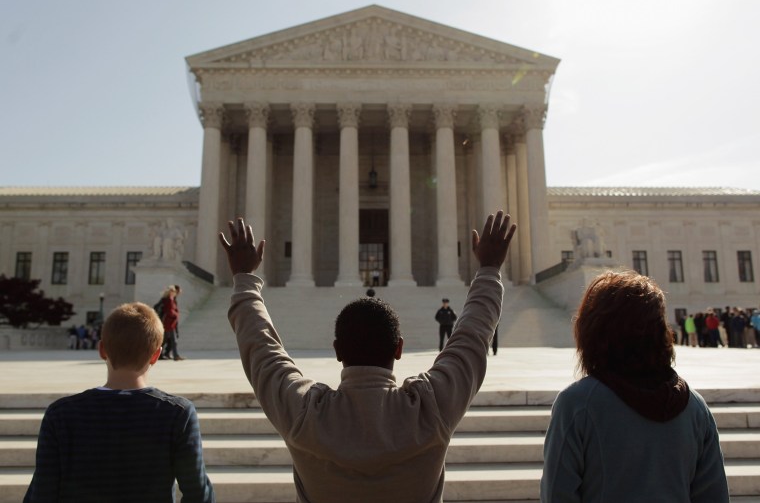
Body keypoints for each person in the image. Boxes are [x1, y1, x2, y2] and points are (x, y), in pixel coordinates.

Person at [219, 211, 516, 503]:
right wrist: (489, 269)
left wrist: (244, 279)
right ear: (399, 349)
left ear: (337, 350)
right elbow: (472, 339)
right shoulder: (430, 409)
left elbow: (262, 350)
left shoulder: (305, 414)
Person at [540, 271, 729, 503]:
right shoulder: (695, 406)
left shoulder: (578, 404)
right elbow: (714, 496)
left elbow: (557, 495)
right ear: (661, 331)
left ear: (595, 331)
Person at [24, 302, 214, 503]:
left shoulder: (60, 414)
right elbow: (199, 494)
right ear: (156, 355)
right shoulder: (178, 413)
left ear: (102, 349)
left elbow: (42, 493)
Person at [160, 285, 185, 361]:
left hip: (171, 323)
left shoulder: (171, 299)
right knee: (166, 341)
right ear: (171, 292)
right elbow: (169, 311)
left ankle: (175, 355)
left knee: (169, 341)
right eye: (174, 292)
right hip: (168, 323)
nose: (176, 293)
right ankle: (175, 355)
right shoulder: (169, 300)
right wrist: (176, 314)